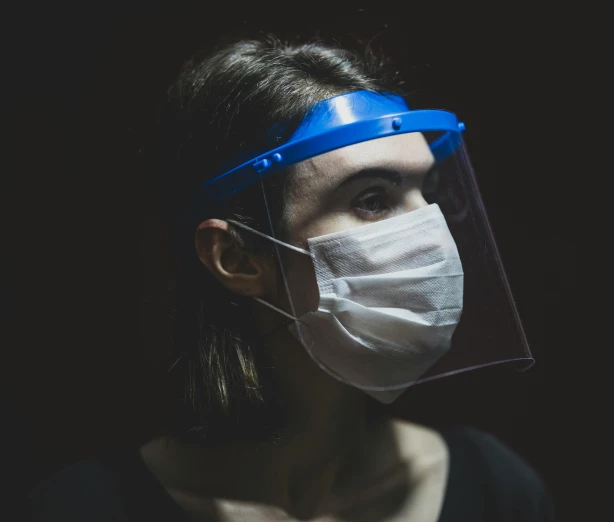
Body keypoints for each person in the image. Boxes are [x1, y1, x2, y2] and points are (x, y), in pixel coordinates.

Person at [28, 37, 555, 522]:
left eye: (428, 193)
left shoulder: (496, 490)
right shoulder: (83, 509)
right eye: (372, 200)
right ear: (236, 258)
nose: (432, 235)